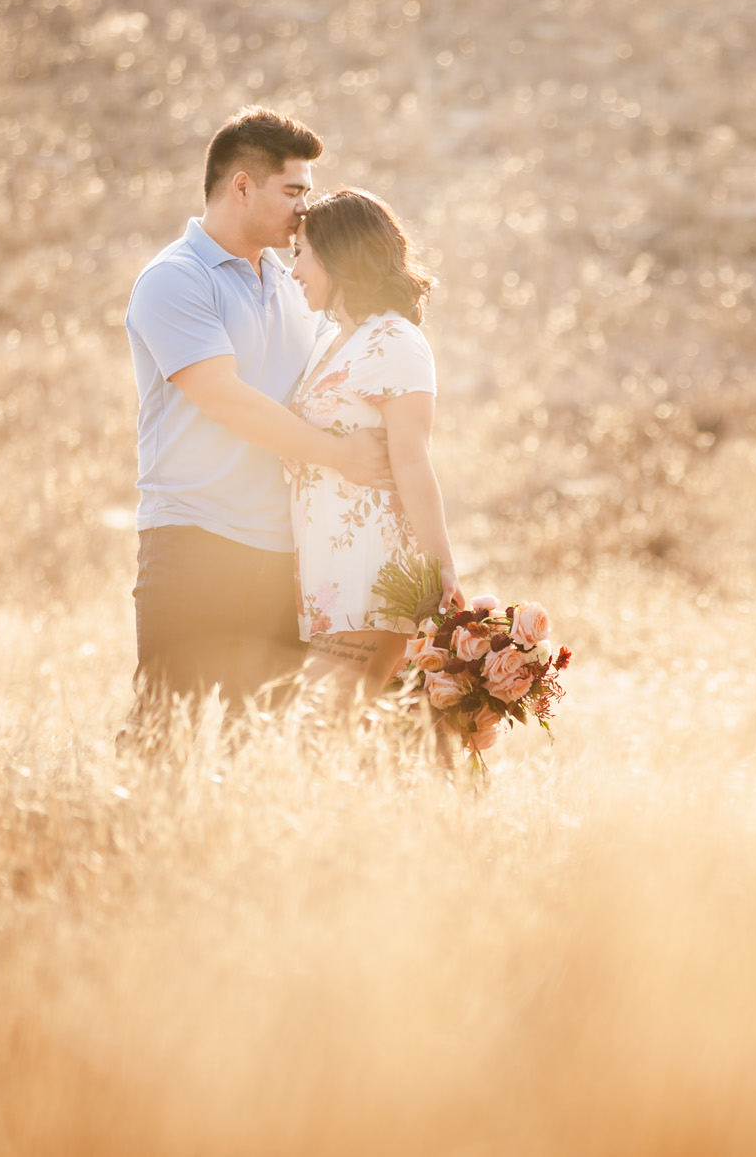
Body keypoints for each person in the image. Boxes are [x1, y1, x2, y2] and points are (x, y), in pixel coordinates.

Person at [120, 107, 392, 754]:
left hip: (285, 555)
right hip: (194, 542)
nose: (306, 209)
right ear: (241, 186)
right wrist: (338, 456)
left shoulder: (296, 280)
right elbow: (225, 399)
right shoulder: (174, 280)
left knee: (257, 744)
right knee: (166, 735)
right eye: (294, 191)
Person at [284, 188, 491, 754]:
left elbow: (413, 459)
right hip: (329, 574)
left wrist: (444, 569)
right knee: (356, 741)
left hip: (375, 571)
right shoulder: (332, 338)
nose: (293, 269)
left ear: (337, 254)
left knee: (313, 734)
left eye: (301, 253)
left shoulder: (396, 339)